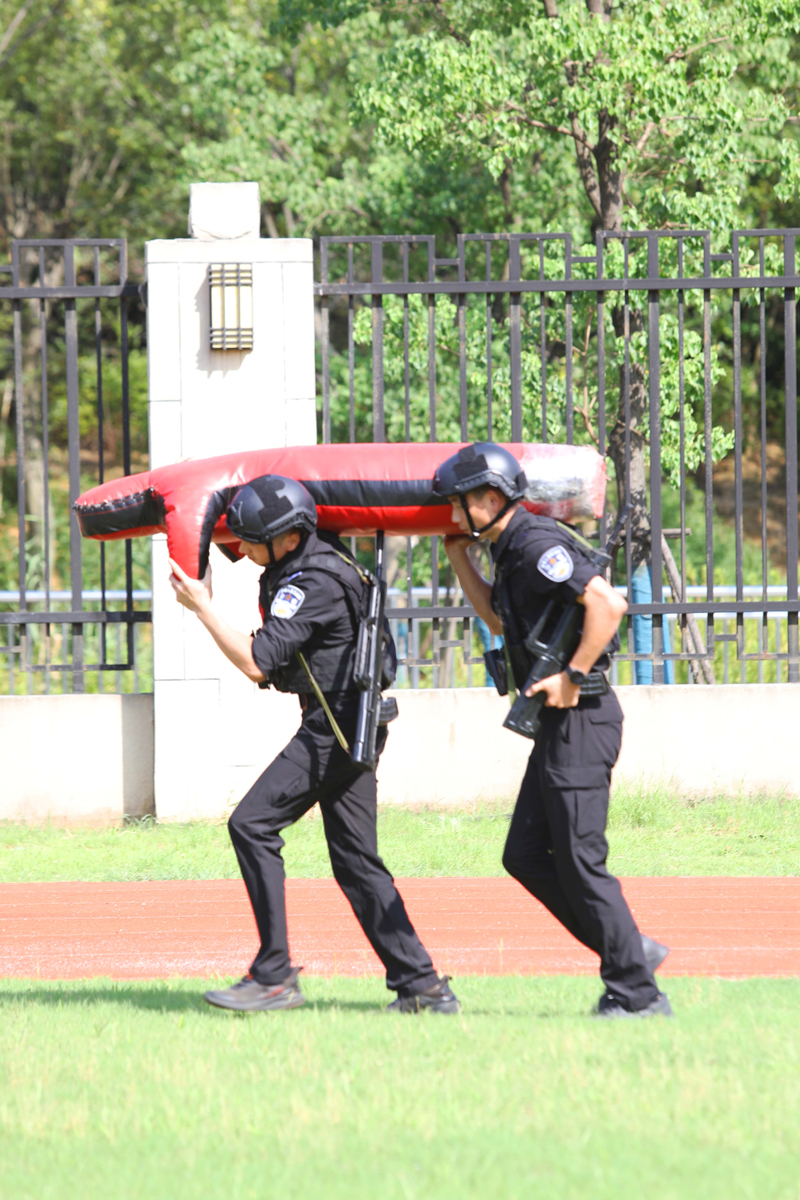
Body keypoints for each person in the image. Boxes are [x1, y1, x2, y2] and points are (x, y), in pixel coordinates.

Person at [169, 473, 460, 1015]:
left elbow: (258, 662)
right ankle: (422, 987)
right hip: (350, 720)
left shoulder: (311, 583)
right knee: (356, 862)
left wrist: (203, 607)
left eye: (254, 540)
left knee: (251, 824)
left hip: (338, 726)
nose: (246, 550)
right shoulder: (316, 557)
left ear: (286, 536)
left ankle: (274, 976)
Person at [433, 443, 672, 1018]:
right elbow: (496, 618)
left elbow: (607, 605)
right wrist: (459, 556)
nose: (453, 513)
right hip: (559, 727)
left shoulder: (536, 545)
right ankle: (628, 950)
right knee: (525, 855)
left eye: (460, 504)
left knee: (580, 859)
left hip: (581, 718)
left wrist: (572, 675)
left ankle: (638, 996)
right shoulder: (510, 550)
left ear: (491, 499)